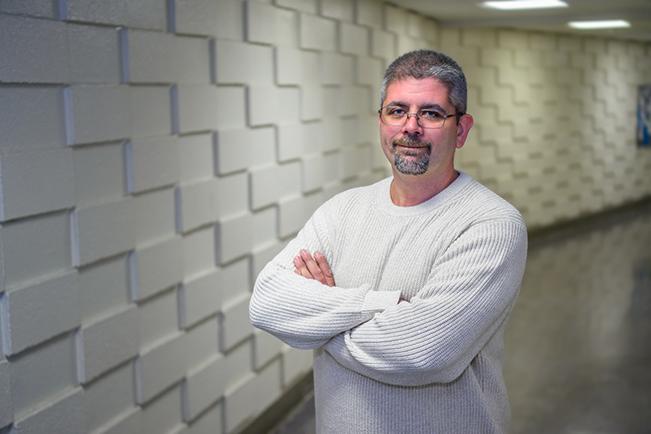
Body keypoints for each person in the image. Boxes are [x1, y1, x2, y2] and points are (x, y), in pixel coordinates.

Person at [249, 49, 528, 434]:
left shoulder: (491, 224)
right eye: (397, 111)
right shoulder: (342, 210)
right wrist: (381, 305)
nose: (410, 127)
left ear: (461, 129)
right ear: (380, 121)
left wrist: (319, 321)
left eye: (431, 113)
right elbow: (266, 301)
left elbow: (421, 353)